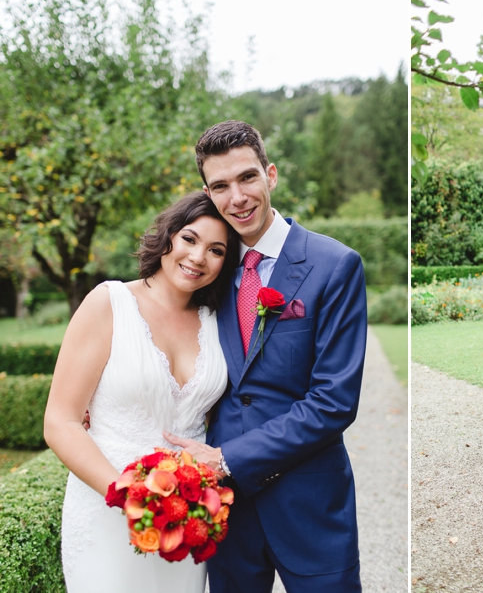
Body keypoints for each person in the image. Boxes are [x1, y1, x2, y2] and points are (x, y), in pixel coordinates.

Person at [162, 120, 368, 592]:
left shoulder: (335, 265)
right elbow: (160, 334)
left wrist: (228, 458)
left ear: (270, 175)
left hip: (309, 502)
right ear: (208, 193)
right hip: (225, 513)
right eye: (220, 186)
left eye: (247, 178)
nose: (237, 197)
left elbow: (334, 402)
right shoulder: (205, 267)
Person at [44, 192, 239, 592]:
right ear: (167, 235)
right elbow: (60, 422)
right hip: (106, 505)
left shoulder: (217, 321)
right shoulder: (109, 302)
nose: (198, 257)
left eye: (216, 250)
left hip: (189, 514)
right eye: (189, 238)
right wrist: (128, 496)